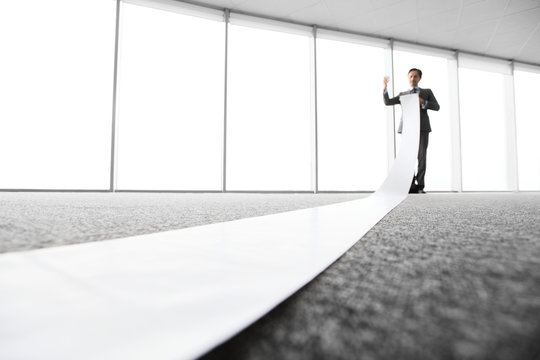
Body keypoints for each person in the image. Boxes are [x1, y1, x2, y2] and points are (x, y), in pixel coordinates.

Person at [383, 68, 440, 193]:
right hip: (407, 129)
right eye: (411, 76)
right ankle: (410, 185)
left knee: (422, 157)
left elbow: (437, 107)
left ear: (419, 78)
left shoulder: (427, 92)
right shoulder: (403, 94)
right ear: (408, 78)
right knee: (408, 157)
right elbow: (387, 102)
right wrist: (385, 88)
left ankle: (420, 186)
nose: (412, 79)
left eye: (415, 76)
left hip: (422, 128)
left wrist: (424, 102)